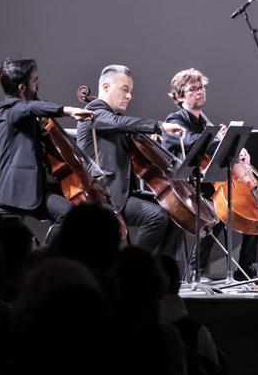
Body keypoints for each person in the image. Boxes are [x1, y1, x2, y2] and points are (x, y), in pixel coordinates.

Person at [161, 68, 258, 279]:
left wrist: (235, 148)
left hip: (206, 184)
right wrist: (219, 140)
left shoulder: (204, 123)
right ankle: (196, 271)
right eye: (193, 89)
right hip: (183, 188)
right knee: (217, 212)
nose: (200, 92)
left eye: (202, 87)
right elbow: (192, 142)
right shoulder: (175, 120)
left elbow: (212, 150)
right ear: (179, 96)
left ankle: (246, 267)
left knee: (255, 208)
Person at [77, 64, 185, 255]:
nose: (129, 96)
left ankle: (161, 269)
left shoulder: (114, 119)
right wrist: (159, 126)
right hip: (103, 195)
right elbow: (119, 123)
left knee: (176, 212)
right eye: (125, 90)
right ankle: (131, 268)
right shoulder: (93, 112)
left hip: (123, 192)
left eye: (131, 91)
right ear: (106, 87)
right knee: (156, 216)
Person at [0, 57, 94, 243]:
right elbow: (31, 107)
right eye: (35, 80)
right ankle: (46, 257)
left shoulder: (20, 110)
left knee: (77, 212)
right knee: (70, 215)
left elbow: (34, 106)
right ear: (22, 88)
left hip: (35, 184)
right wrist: (67, 110)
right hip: (18, 190)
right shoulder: (9, 110)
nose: (38, 84)